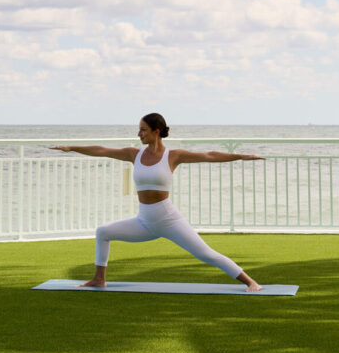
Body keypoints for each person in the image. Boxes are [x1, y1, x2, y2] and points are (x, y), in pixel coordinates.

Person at [50, 113, 264, 291]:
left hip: (168, 219)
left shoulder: (173, 156)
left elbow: (209, 155)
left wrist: (242, 156)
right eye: (139, 129)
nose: (139, 134)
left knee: (206, 255)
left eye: (143, 129)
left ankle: (251, 282)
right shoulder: (133, 154)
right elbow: (102, 150)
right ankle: (99, 279)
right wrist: (72, 147)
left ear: (156, 131)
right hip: (144, 221)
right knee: (103, 232)